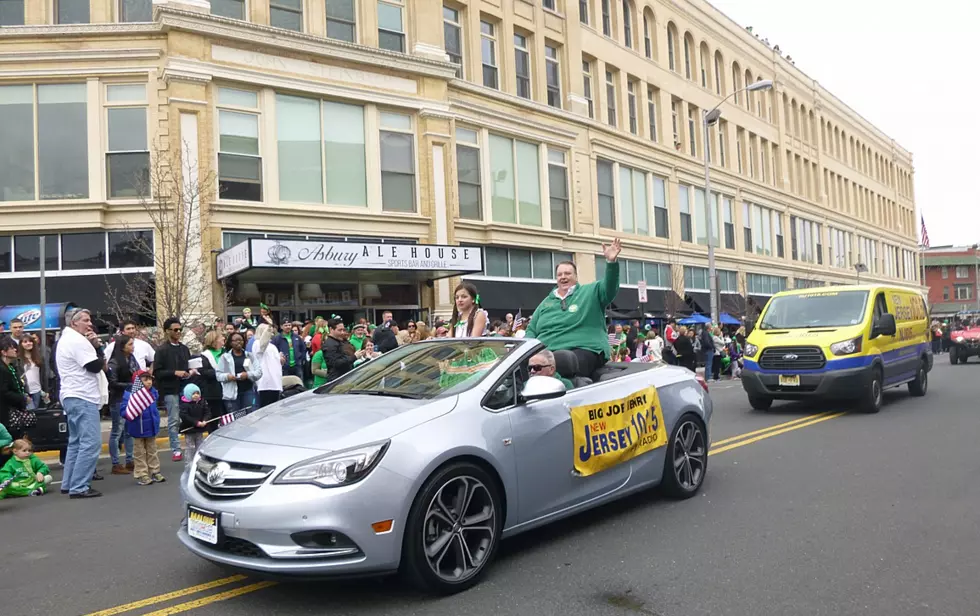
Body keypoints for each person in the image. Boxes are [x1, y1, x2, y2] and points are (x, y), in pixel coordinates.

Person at [525, 239, 622, 379]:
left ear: (576, 277)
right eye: (560, 274)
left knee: (561, 363)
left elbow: (610, 287)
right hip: (546, 354)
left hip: (583, 349)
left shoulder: (591, 292)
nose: (563, 277)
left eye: (568, 273)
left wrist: (611, 263)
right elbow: (531, 330)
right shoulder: (546, 303)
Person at [55, 308, 106, 499]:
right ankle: (79, 486)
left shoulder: (65, 340)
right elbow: (94, 366)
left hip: (71, 396)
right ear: (74, 323)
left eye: (90, 319)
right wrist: (97, 346)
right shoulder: (77, 341)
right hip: (83, 396)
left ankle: (69, 483)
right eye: (85, 320)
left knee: (76, 442)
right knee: (91, 443)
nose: (90, 323)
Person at [154, 317, 194, 462]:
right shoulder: (162, 350)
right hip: (170, 389)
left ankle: (190, 445)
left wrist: (191, 372)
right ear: (167, 331)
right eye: (175, 330)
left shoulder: (184, 349)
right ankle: (176, 449)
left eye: (180, 329)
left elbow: (189, 366)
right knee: (174, 420)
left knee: (189, 416)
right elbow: (157, 372)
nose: (178, 332)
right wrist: (174, 372)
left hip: (186, 388)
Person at [106, 335, 139, 475]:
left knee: (129, 431)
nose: (133, 347)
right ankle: (115, 463)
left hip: (130, 398)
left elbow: (137, 373)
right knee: (117, 431)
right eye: (130, 344)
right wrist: (130, 386)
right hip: (118, 399)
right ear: (122, 346)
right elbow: (112, 382)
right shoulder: (114, 362)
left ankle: (130, 460)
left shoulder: (132, 359)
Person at [124, 370, 163, 486]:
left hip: (151, 427)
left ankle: (155, 471)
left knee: (152, 451)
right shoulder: (130, 395)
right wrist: (130, 412)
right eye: (145, 380)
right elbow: (125, 410)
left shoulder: (153, 393)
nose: (149, 382)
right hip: (138, 428)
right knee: (139, 453)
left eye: (150, 379)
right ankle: (142, 474)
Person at [216, 331, 261, 412]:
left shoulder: (250, 355)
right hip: (232, 394)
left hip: (248, 391)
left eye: (240, 340)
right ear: (230, 343)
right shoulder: (225, 357)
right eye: (236, 340)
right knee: (236, 419)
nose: (238, 342)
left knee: (250, 416)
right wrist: (228, 376)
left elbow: (259, 372)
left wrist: (247, 374)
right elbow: (218, 375)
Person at [0, 337, 29, 439]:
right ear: (4, 352)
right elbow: (3, 392)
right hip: (5, 413)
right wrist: (22, 398)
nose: (15, 350)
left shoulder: (11, 367)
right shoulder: (2, 369)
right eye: (12, 348)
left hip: (14, 411)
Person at [319, 317, 360, 384]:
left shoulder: (341, 341)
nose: (342, 332)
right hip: (337, 380)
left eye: (343, 330)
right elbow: (336, 363)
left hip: (345, 378)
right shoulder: (330, 344)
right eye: (339, 330)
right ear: (331, 329)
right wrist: (354, 357)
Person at [197, 330, 225, 421]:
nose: (224, 338)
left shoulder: (226, 353)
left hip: (227, 391)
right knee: (214, 418)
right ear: (214, 340)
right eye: (221, 337)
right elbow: (204, 372)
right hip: (213, 392)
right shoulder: (205, 355)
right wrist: (220, 373)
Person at [178, 383, 210, 464]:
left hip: (199, 429)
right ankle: (189, 463)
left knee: (200, 445)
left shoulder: (202, 402)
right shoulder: (184, 405)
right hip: (189, 429)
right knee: (190, 447)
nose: (196, 395)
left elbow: (207, 412)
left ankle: (199, 461)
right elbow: (185, 416)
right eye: (193, 394)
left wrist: (205, 420)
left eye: (197, 393)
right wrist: (196, 422)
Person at [253, 324, 283, 408]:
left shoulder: (273, 346)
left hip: (275, 382)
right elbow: (262, 346)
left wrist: (281, 360)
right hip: (265, 383)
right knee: (265, 408)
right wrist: (269, 326)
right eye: (268, 330)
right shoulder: (257, 343)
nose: (271, 332)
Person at [18, 336, 44, 410]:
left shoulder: (39, 357)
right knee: (28, 413)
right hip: (24, 391)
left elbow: (43, 375)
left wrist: (45, 390)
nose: (28, 343)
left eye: (30, 341)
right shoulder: (17, 359)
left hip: (37, 390)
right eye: (25, 342)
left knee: (34, 414)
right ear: (21, 344)